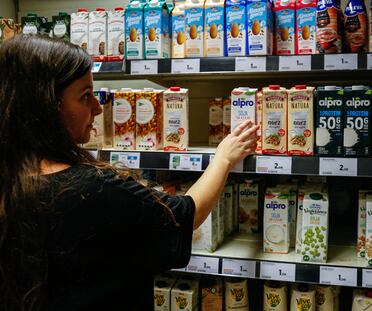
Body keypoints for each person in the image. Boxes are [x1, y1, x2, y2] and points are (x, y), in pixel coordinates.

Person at [0, 35, 259, 311]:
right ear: (47, 105)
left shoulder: (11, 181)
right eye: (85, 96)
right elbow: (186, 214)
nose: (99, 109)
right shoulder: (92, 190)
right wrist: (222, 159)